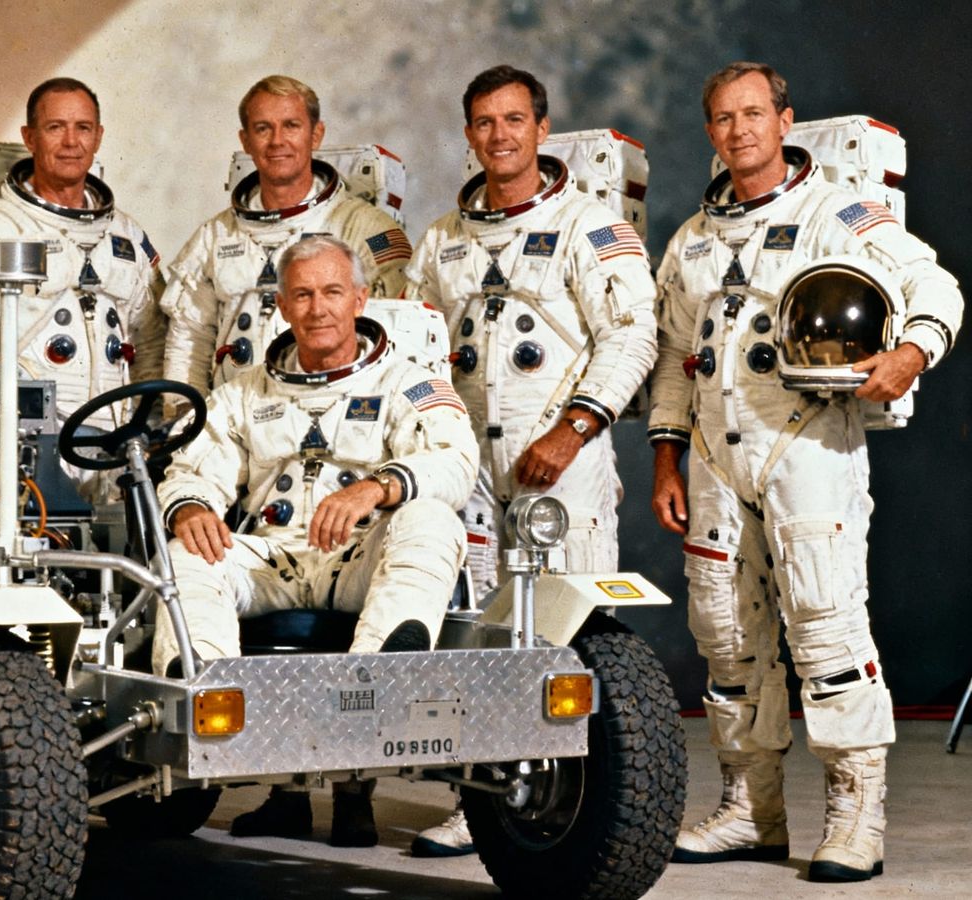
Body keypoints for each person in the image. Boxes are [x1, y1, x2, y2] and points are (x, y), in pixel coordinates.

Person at [649, 61, 962, 882]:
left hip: (807, 448)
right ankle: (752, 812)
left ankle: (856, 819)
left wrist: (910, 351)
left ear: (784, 120)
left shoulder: (836, 213)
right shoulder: (692, 239)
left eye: (754, 113)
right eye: (722, 118)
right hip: (717, 458)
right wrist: (666, 455)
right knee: (725, 640)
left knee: (825, 631)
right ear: (711, 132)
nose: (739, 130)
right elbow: (679, 361)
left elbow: (936, 283)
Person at [402, 64, 657, 858]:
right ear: (468, 134)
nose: (499, 136)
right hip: (470, 470)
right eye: (483, 122)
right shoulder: (442, 241)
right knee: (477, 636)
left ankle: (582, 808)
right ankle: (479, 798)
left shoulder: (590, 228)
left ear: (542, 131)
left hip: (561, 461)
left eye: (514, 120)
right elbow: (414, 349)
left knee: (565, 634)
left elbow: (632, 336)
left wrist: (573, 428)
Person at [154, 235, 476, 847]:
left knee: (432, 518)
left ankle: (379, 680)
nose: (318, 308)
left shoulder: (410, 382)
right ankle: (204, 684)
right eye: (302, 294)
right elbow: (194, 470)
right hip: (275, 556)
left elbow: (455, 461)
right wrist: (191, 508)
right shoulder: (242, 393)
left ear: (360, 299)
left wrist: (376, 489)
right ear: (281, 305)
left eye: (332, 292)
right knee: (187, 551)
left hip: (357, 555)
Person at [0, 77, 165, 499]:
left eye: (83, 128)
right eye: (56, 127)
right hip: (35, 441)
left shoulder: (125, 236)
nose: (71, 141)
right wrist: (13, 418)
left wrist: (149, 426)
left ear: (99, 137)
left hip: (116, 444)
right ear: (29, 138)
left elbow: (152, 340)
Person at [160, 75, 411, 400]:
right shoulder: (214, 237)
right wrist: (185, 419)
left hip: (332, 412)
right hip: (234, 419)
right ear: (246, 141)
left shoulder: (364, 229)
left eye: (291, 126)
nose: (277, 141)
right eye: (263, 129)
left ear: (316, 134)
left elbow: (399, 336)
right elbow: (187, 341)